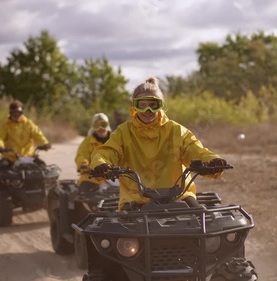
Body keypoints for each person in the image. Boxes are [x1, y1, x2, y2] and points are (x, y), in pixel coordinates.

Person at [90, 76, 228, 211]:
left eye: (153, 105)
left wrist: (212, 161)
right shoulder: (123, 132)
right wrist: (101, 164)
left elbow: (196, 150)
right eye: (142, 105)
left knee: (202, 223)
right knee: (122, 232)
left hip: (178, 196)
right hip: (136, 198)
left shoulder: (176, 130)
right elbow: (107, 151)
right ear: (134, 106)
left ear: (161, 105)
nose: (147, 111)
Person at [74, 113, 111, 186]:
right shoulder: (87, 141)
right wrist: (83, 165)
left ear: (108, 125)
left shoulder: (115, 140)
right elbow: (81, 155)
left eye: (103, 125)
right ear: (93, 127)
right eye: (97, 125)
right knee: (86, 192)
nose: (100, 128)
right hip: (92, 178)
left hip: (113, 177)